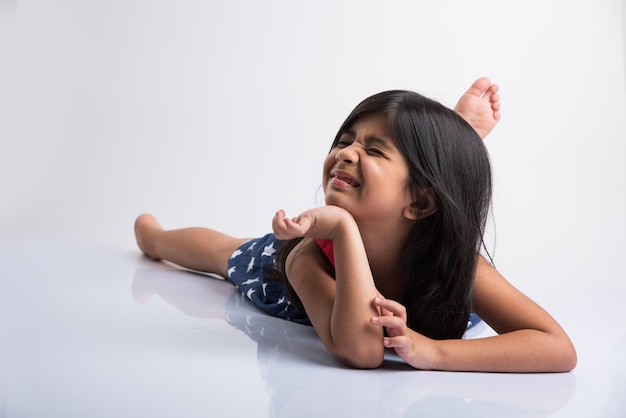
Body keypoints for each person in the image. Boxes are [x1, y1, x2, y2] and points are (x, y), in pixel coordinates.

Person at [134, 78, 577, 372]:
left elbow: (558, 348)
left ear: (422, 203)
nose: (345, 152)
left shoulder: (455, 260)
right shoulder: (307, 256)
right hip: (296, 261)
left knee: (425, 193)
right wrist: (342, 229)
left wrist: (434, 351)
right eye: (345, 142)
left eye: (374, 150)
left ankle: (451, 144)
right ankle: (154, 237)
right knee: (224, 254)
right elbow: (361, 351)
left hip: (420, 234)